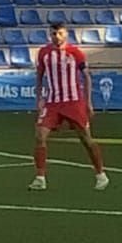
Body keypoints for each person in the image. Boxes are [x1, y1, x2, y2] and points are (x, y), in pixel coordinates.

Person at [29, 22, 110, 192]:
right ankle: (40, 177)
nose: (56, 37)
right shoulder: (44, 53)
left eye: (59, 33)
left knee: (86, 139)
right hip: (52, 102)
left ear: (65, 34)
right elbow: (39, 76)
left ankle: (100, 174)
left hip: (73, 102)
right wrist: (40, 98)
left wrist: (88, 102)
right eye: (53, 34)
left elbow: (86, 76)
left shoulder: (75, 53)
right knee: (40, 135)